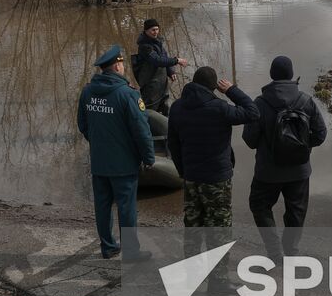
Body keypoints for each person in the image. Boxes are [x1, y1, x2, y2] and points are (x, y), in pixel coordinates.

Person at [166, 66, 259, 265]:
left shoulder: (177, 107)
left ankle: (192, 274)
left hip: (191, 178)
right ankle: (218, 279)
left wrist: (183, 171)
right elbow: (253, 112)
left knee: (192, 227)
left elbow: (172, 144)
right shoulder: (220, 108)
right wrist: (232, 90)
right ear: (213, 87)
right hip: (217, 179)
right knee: (219, 230)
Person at [243, 55, 328, 260]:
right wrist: (302, 147)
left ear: (271, 74)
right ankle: (291, 251)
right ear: (291, 75)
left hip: (267, 171)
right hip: (299, 170)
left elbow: (250, 140)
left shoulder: (259, 103)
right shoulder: (306, 101)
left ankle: (274, 251)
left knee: (259, 206)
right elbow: (320, 134)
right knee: (296, 212)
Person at [77, 45, 155, 261]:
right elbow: (141, 130)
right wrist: (148, 157)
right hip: (124, 164)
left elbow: (82, 124)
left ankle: (108, 247)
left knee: (102, 206)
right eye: (122, 64)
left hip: (99, 162)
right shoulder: (127, 94)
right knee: (126, 208)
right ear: (118, 66)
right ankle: (130, 252)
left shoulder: (87, 92)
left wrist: (98, 143)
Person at [133, 18, 188, 116]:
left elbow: (164, 56)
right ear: (146, 31)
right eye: (153, 30)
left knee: (165, 107)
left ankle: (167, 124)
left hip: (162, 83)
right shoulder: (144, 46)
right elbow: (157, 60)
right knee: (150, 111)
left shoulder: (158, 41)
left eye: (157, 29)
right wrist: (177, 60)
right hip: (150, 85)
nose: (156, 32)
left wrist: (170, 71)